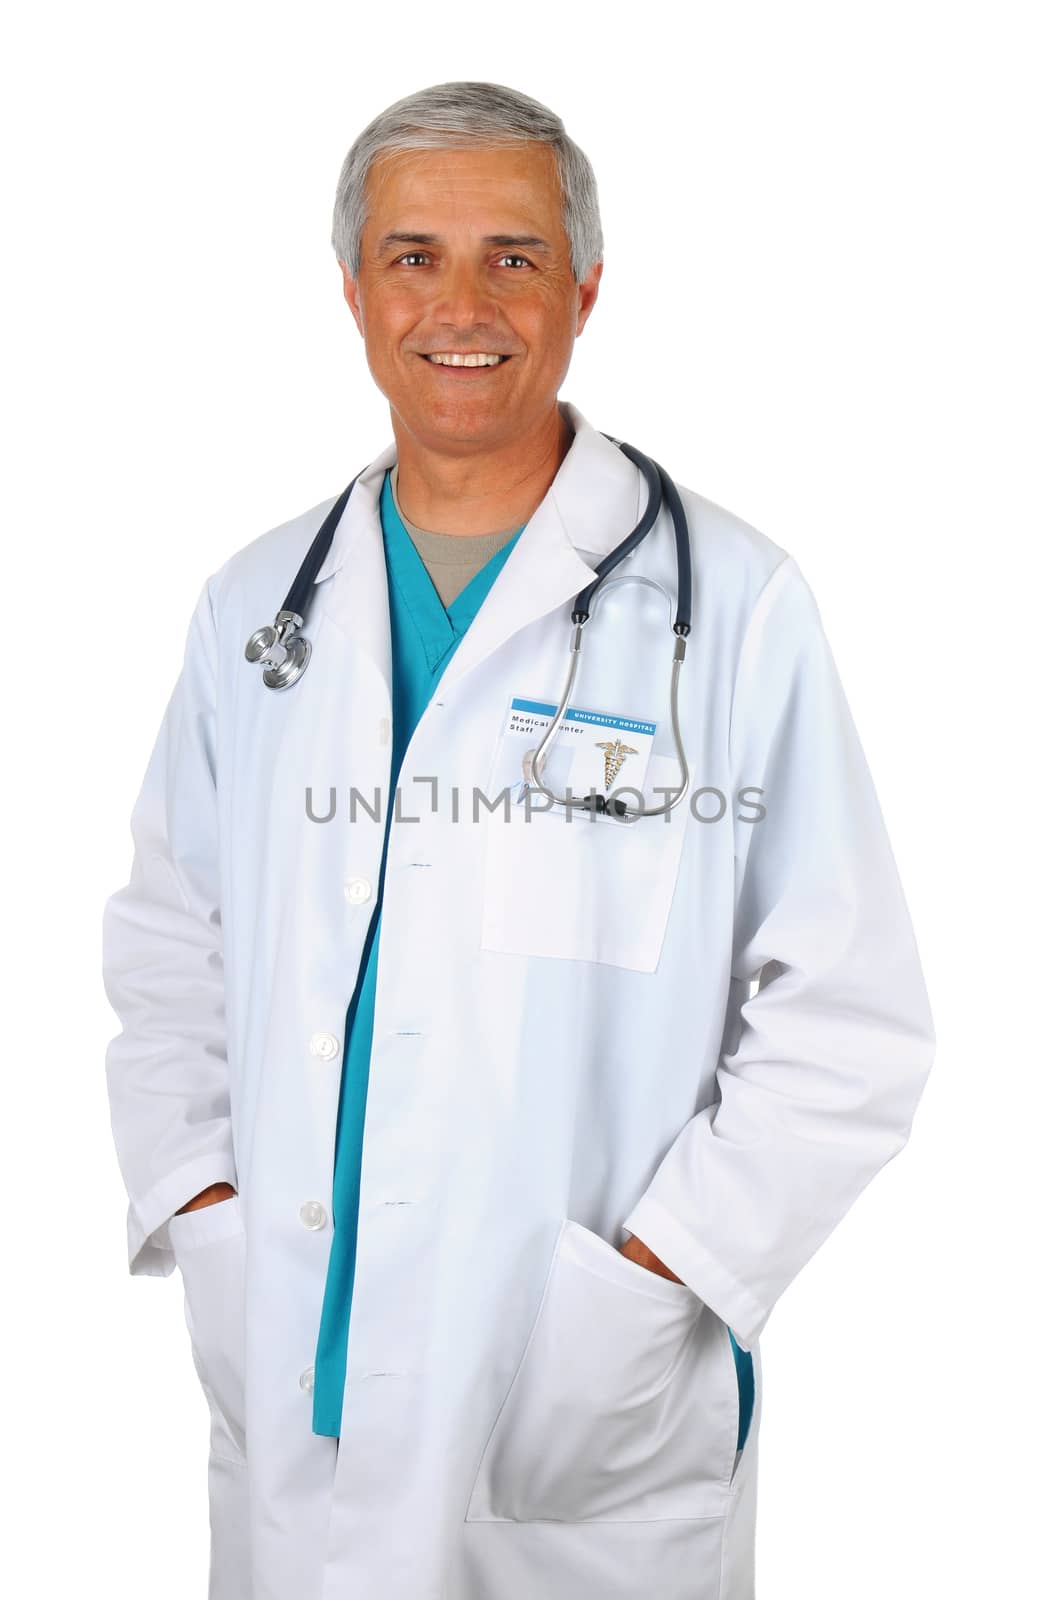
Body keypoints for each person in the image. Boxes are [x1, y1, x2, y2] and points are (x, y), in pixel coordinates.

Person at [102, 79, 935, 1600]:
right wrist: (203, 1210)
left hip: (580, 1406)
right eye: (414, 255)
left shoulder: (729, 607)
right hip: (298, 1373)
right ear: (354, 290)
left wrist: (662, 1277)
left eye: (514, 256)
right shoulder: (256, 609)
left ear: (586, 289)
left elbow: (852, 1013)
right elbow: (171, 940)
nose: (460, 305)